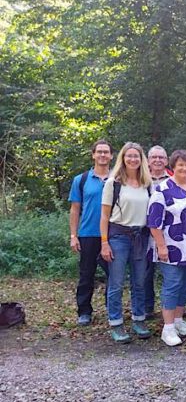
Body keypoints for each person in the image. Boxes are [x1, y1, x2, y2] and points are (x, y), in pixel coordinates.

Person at [148, 150, 186, 346]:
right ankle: (167, 329)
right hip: (171, 247)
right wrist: (161, 246)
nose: (184, 168)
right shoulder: (162, 189)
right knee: (173, 284)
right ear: (173, 167)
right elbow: (153, 221)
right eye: (180, 165)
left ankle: (178, 320)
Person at [100, 142, 152, 343]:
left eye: (136, 156)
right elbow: (104, 217)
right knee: (116, 282)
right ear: (122, 158)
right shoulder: (113, 183)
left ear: (141, 160)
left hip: (141, 237)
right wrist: (104, 243)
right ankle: (116, 323)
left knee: (139, 282)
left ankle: (139, 320)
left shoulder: (147, 185)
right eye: (129, 156)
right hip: (118, 237)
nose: (132, 159)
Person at [68, 139, 113, 326]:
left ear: (111, 156)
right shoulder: (82, 179)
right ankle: (84, 311)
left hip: (112, 234)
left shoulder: (118, 178)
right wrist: (73, 235)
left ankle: (112, 309)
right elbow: (75, 209)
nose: (102, 155)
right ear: (93, 154)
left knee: (114, 275)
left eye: (106, 152)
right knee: (86, 275)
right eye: (99, 152)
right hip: (88, 234)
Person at [144, 145, 172, 319]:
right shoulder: (141, 179)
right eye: (154, 157)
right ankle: (147, 308)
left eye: (161, 157)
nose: (158, 160)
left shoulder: (173, 179)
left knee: (170, 273)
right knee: (145, 272)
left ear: (167, 160)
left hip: (168, 233)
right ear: (148, 160)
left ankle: (169, 309)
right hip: (143, 232)